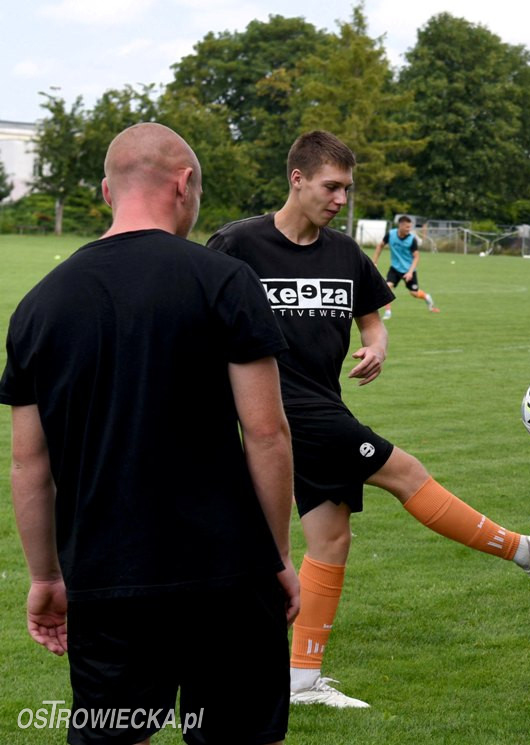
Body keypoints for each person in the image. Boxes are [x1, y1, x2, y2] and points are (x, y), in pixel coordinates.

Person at [209, 130, 530, 709]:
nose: (340, 199)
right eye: (331, 187)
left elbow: (373, 315)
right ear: (297, 178)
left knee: (331, 539)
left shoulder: (342, 253)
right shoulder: (238, 245)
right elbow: (198, 317)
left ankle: (300, 680)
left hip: (323, 405)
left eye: (347, 189)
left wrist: (377, 343)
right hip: (280, 411)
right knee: (404, 472)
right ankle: (522, 551)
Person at [0, 123, 299, 744]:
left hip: (107, 578)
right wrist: (276, 557)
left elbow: (30, 466)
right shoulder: (222, 280)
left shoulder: (38, 306)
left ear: (109, 191)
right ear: (184, 184)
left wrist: (46, 578)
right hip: (228, 573)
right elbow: (267, 435)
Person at [371, 215, 439, 318]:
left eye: (410, 227)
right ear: (400, 225)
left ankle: (427, 297)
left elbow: (416, 257)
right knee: (387, 287)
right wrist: (374, 262)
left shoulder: (412, 240)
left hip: (409, 270)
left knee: (414, 293)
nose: (409, 229)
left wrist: (410, 272)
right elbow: (380, 246)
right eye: (407, 227)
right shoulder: (391, 234)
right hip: (395, 268)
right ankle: (388, 312)